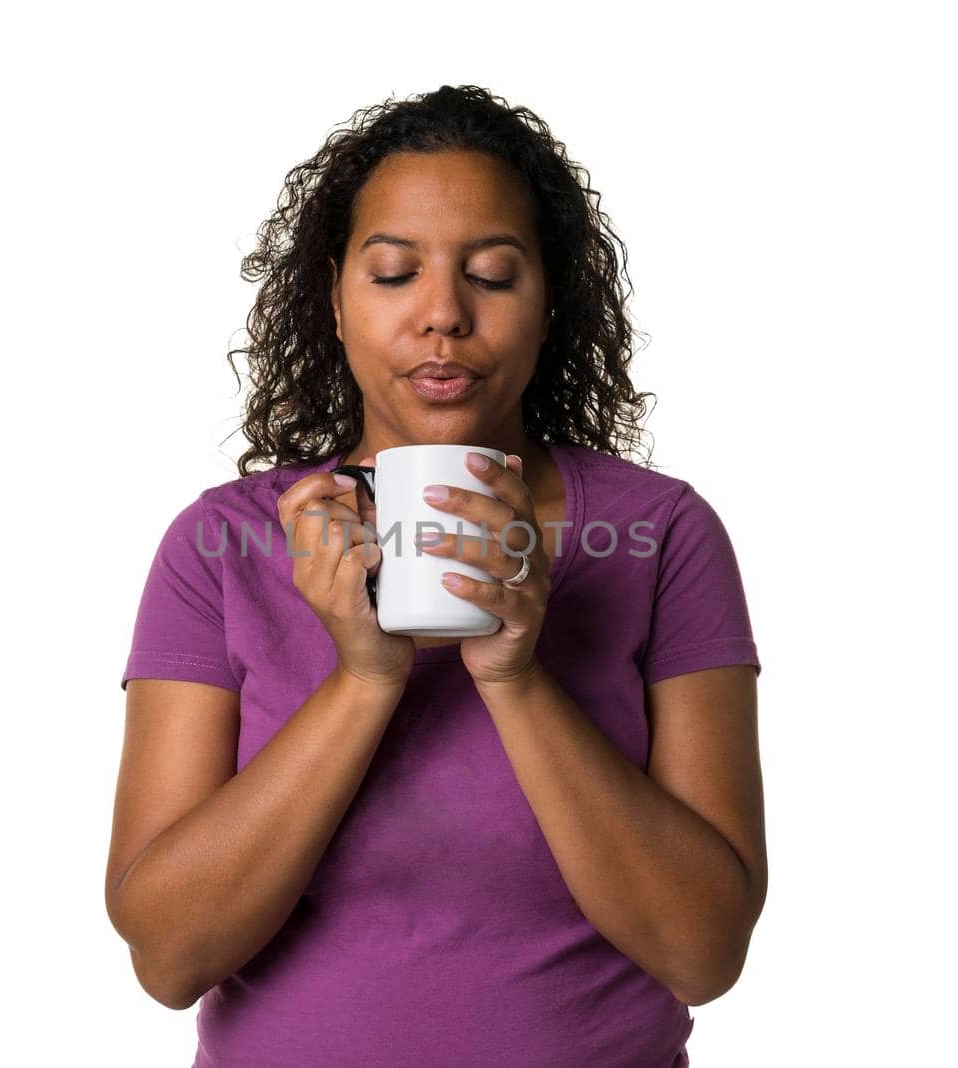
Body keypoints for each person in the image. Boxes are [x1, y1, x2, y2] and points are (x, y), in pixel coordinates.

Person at [105, 84, 766, 1068]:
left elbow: (703, 951)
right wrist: (364, 680)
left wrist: (515, 676)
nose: (443, 316)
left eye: (493, 275)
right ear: (335, 299)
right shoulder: (224, 546)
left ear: (550, 301)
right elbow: (168, 957)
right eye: (393, 273)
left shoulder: (660, 534)